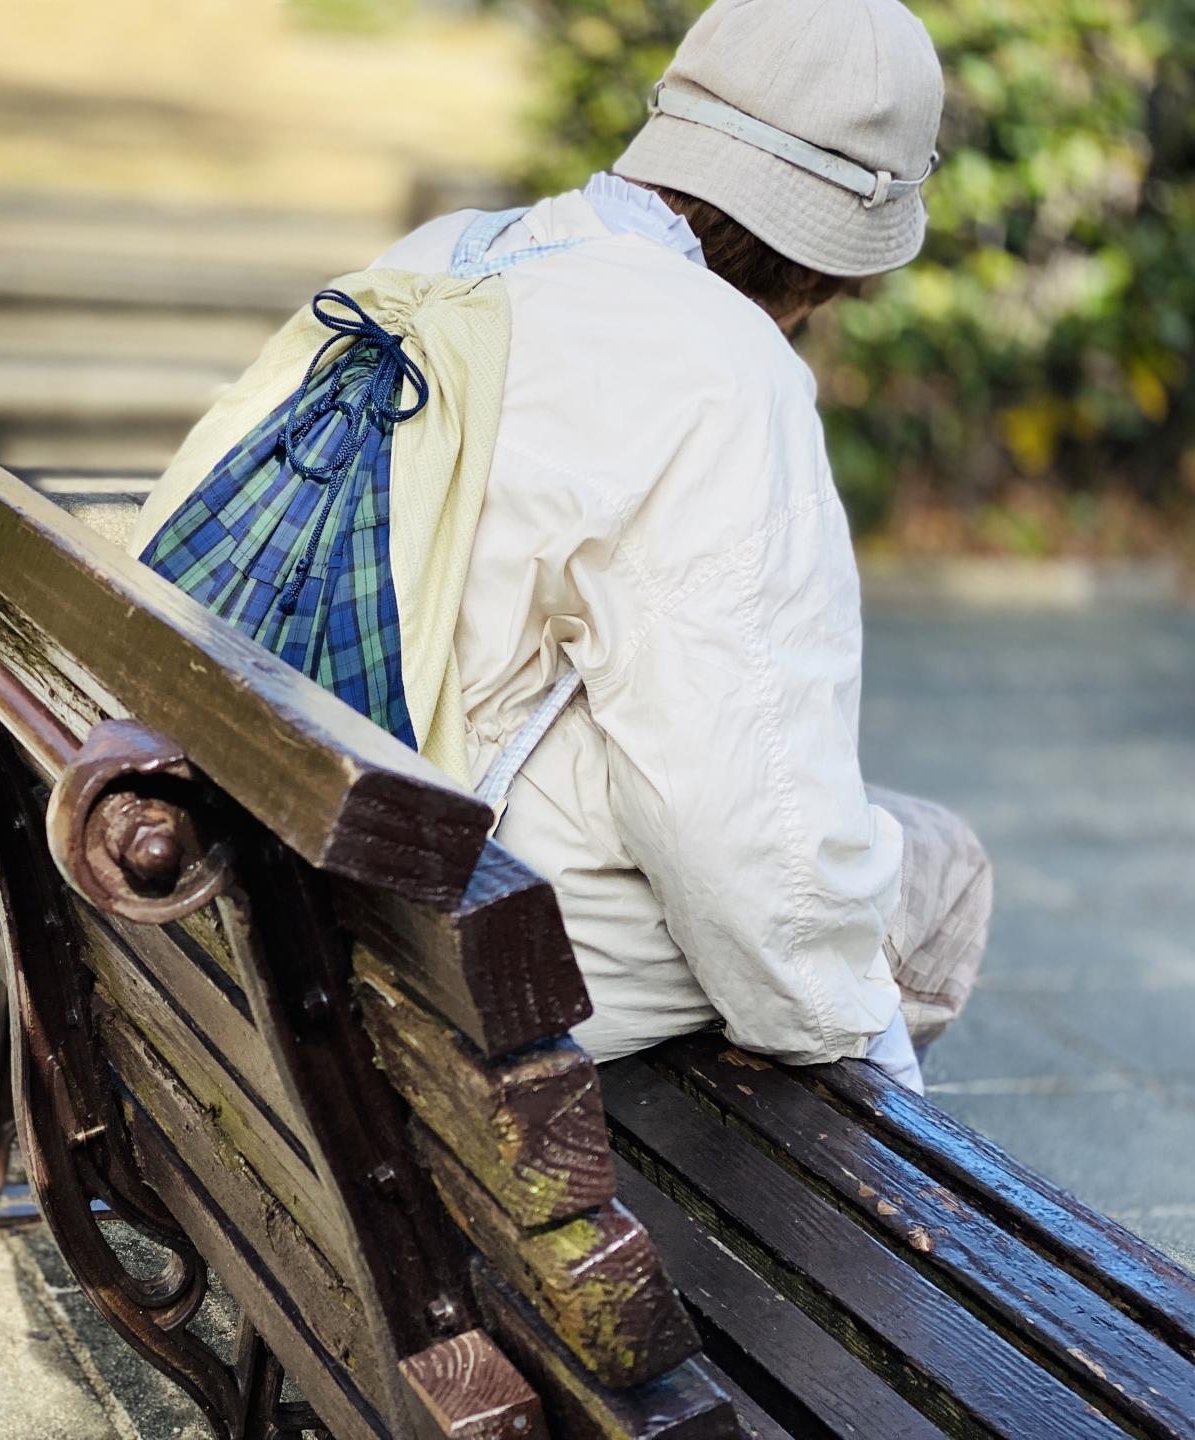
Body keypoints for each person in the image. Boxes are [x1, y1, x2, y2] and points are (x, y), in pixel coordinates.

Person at [358, 0, 991, 1090]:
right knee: (935, 866)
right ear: (831, 258)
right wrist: (859, 1044)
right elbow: (751, 836)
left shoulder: (442, 254)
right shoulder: (722, 371)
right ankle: (823, 1181)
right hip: (479, 948)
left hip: (299, 870)